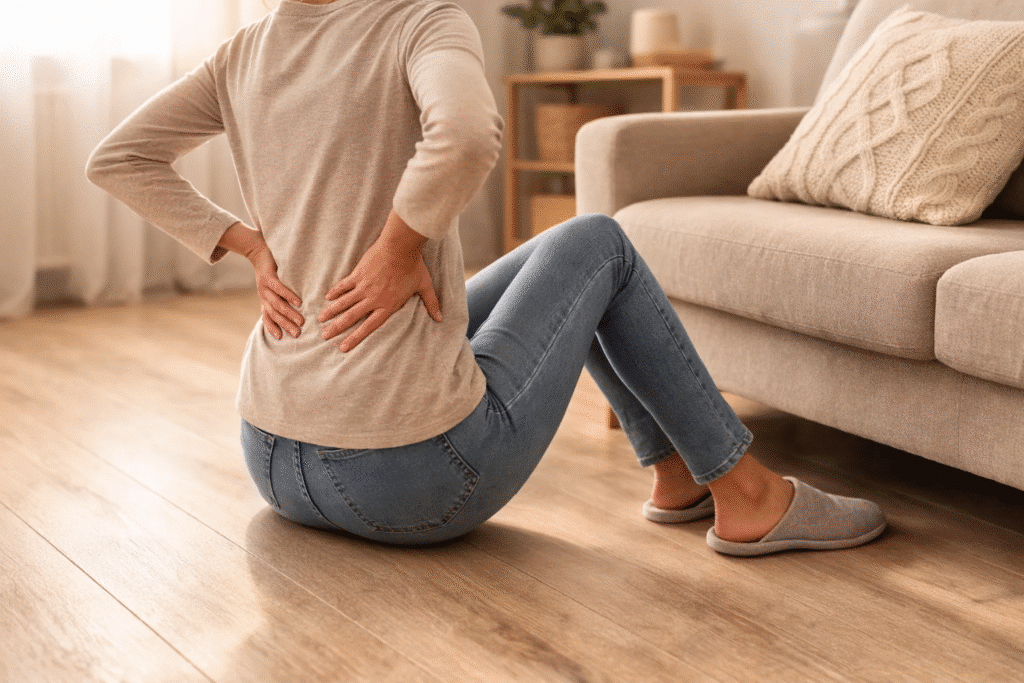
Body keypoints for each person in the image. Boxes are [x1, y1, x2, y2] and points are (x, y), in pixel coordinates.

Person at [87, 0, 887, 556]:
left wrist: (245, 243)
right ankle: (746, 494)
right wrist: (402, 243)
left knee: (565, 257)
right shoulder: (418, 23)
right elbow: (467, 135)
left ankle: (677, 473)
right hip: (413, 480)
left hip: (270, 457)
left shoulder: (241, 52)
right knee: (602, 244)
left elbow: (115, 158)